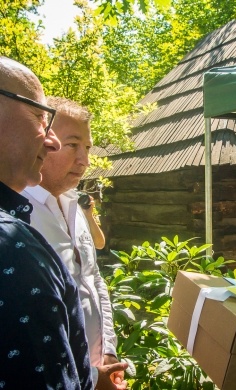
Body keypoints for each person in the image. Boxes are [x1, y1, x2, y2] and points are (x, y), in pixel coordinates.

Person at [0, 56, 93, 388]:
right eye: (40, 117)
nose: (50, 141)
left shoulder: (75, 207)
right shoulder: (13, 246)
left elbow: (93, 282)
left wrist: (103, 357)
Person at [22, 97, 126, 389]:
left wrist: (108, 351)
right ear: (44, 142)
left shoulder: (77, 207)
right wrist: (89, 378)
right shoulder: (18, 216)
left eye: (88, 148)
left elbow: (93, 280)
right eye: (73, 145)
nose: (85, 160)